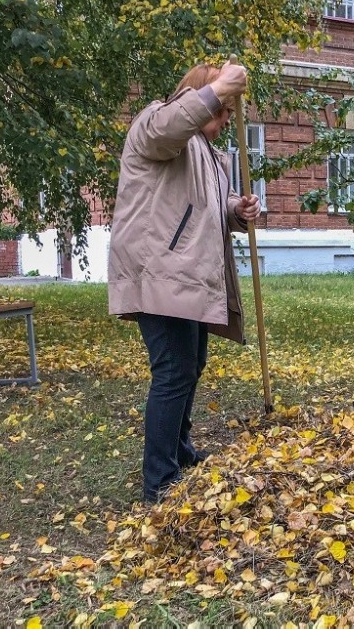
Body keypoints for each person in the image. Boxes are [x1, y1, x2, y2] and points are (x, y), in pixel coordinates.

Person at [108, 59, 261, 504]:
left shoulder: (206, 154)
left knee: (190, 366)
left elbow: (201, 205)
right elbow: (166, 131)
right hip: (158, 272)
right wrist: (219, 88)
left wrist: (236, 210)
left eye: (230, 111)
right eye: (221, 108)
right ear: (197, 95)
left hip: (185, 276)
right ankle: (159, 480)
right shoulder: (157, 121)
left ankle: (179, 451)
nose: (225, 118)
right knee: (173, 371)